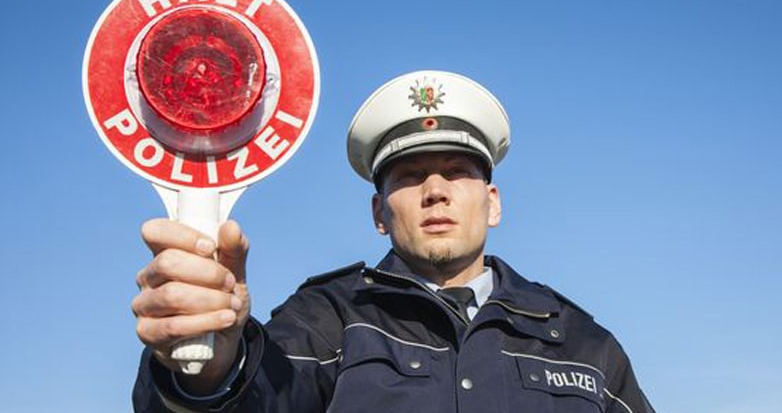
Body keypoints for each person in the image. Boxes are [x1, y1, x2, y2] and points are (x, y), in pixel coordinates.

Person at [131, 70, 656, 413]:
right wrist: (211, 369)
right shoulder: (328, 318)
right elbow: (262, 398)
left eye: (456, 171)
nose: (434, 191)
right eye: (409, 176)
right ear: (380, 212)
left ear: (492, 203)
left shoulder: (582, 341)